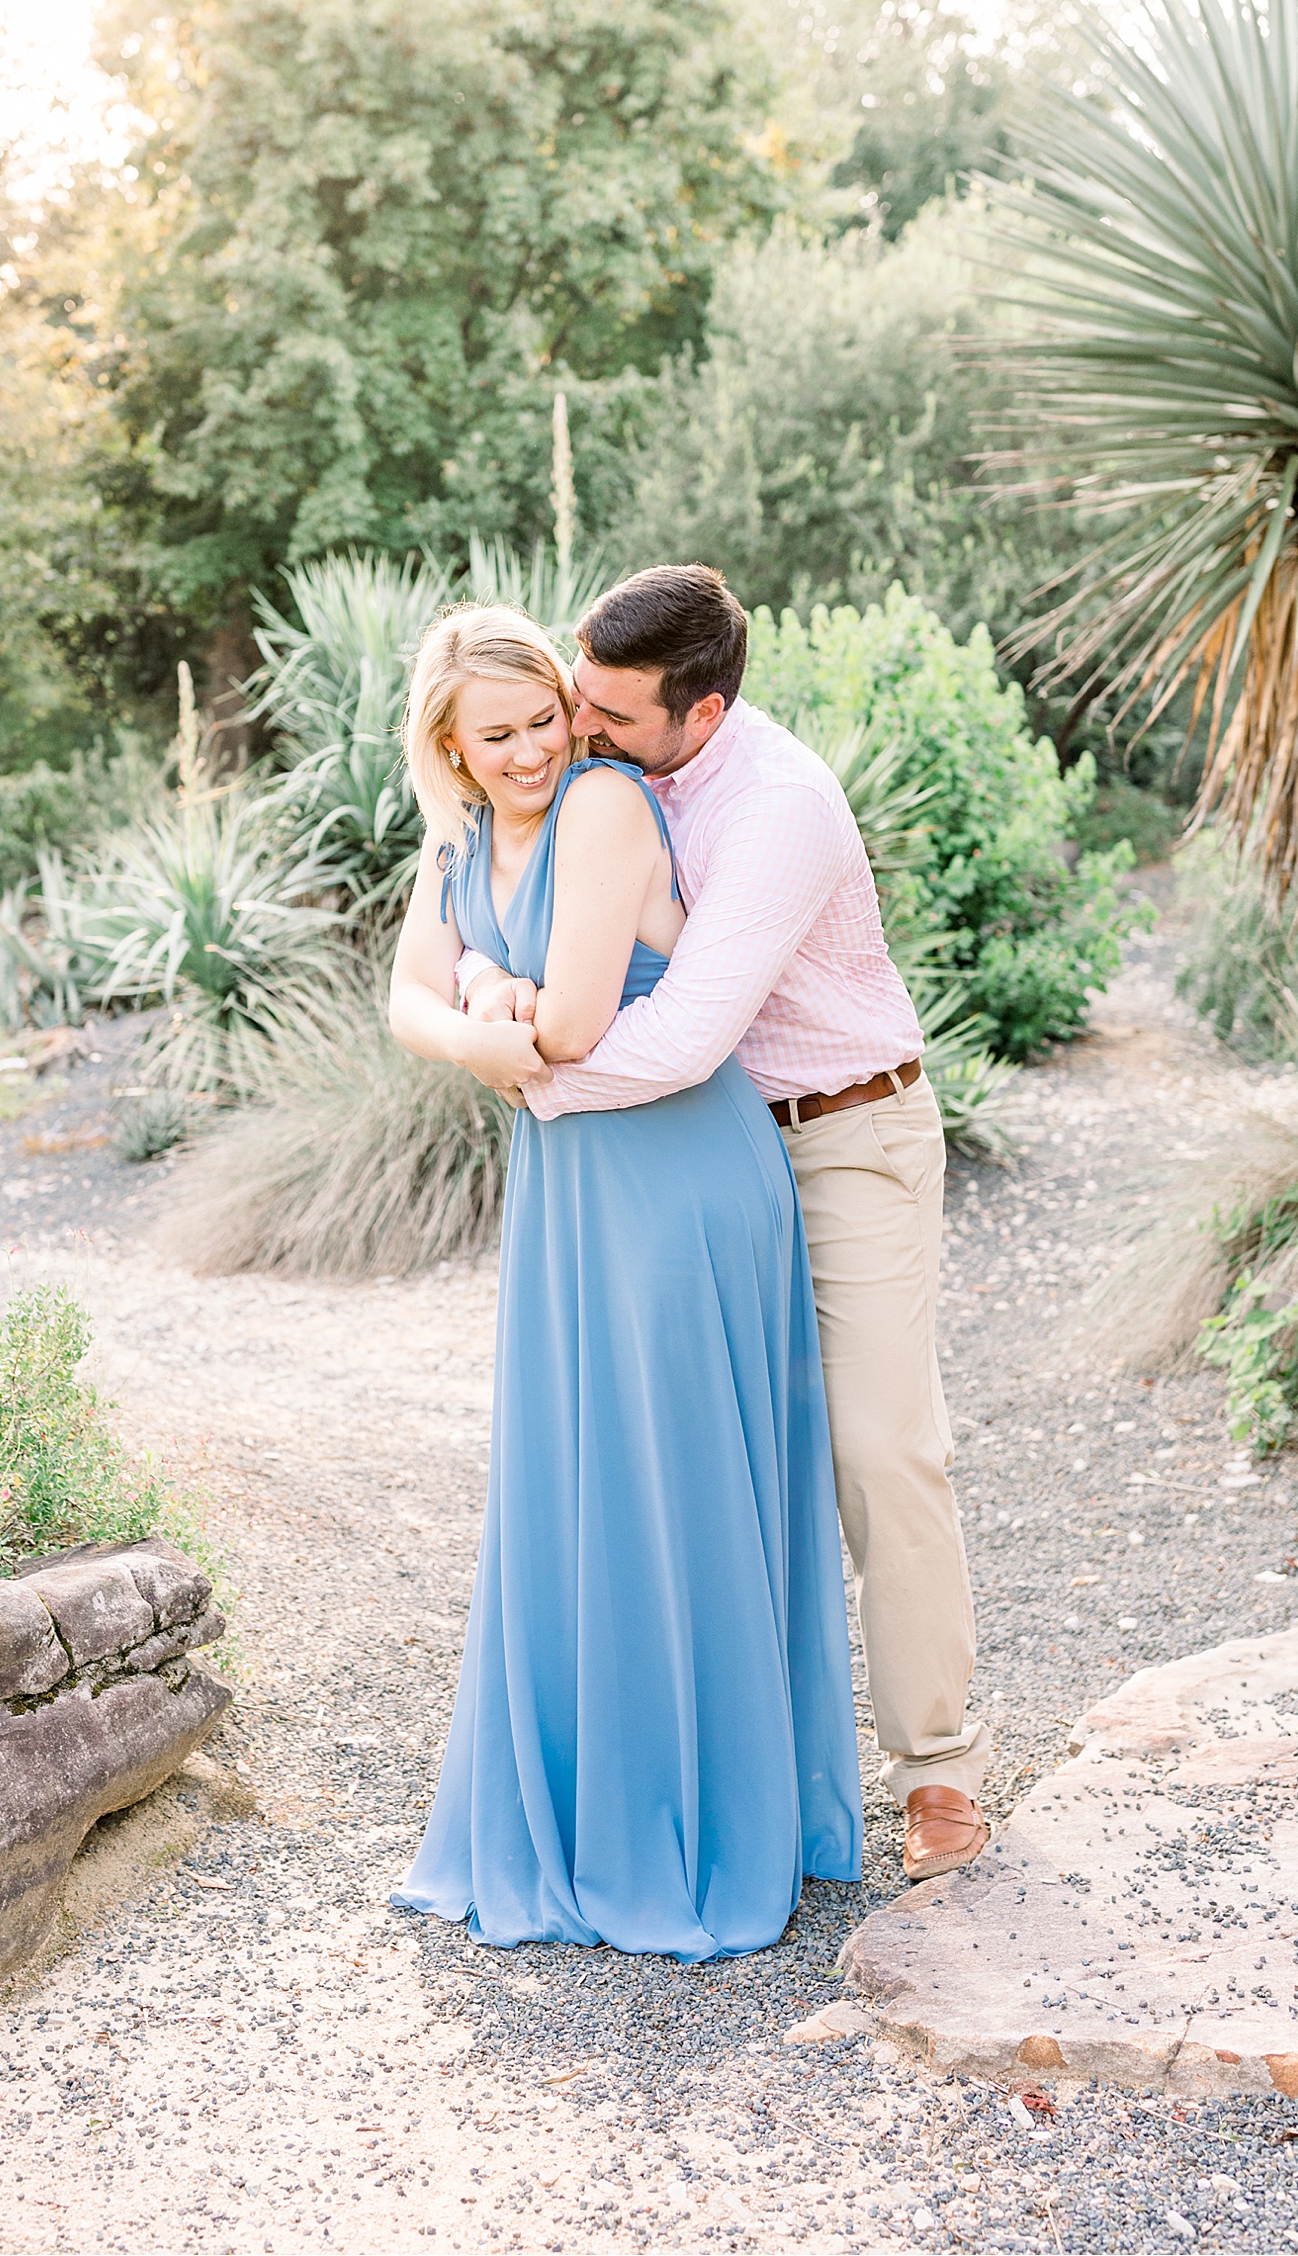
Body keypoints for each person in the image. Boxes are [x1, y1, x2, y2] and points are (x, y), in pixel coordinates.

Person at [462, 565, 989, 1884]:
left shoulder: (780, 808)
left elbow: (691, 1032)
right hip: (707, 1162)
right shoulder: (598, 781)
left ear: (697, 717)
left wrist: (525, 1073)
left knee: (878, 1449)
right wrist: (477, 981)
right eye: (576, 695)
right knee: (718, 1462)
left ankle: (937, 1770)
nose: (577, 726)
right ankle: (730, 1772)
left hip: (846, 1137)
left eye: (609, 713)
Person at [386, 600, 862, 1959]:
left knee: (675, 1488)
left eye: (547, 716)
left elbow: (582, 1025)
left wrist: (483, 1004)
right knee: (579, 1483)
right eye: (502, 733)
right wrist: (480, 996)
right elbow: (403, 1001)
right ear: (451, 745)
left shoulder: (601, 805)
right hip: (568, 1184)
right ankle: (590, 1806)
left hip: (670, 1182)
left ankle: (701, 1820)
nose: (537, 747)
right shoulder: (461, 834)